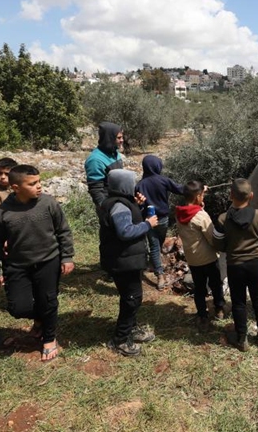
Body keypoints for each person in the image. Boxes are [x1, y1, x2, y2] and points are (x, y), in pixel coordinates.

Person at [0, 165, 75, 362]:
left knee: (48, 300)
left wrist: (67, 257)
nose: (39, 186)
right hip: (17, 266)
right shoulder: (2, 212)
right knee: (18, 308)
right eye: (33, 183)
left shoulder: (49, 203)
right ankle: (42, 317)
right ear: (16, 187)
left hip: (48, 262)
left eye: (39, 182)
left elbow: (63, 232)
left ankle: (49, 338)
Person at [99, 169, 159, 356]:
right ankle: (121, 339)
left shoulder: (120, 202)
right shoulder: (119, 206)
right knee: (132, 299)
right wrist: (148, 224)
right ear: (124, 185)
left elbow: (127, 222)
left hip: (123, 259)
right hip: (123, 261)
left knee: (130, 296)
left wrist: (136, 206)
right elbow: (125, 232)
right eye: (132, 183)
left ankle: (130, 328)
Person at [212, 179, 258, 352]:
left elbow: (217, 243)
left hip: (235, 265)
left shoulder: (223, 219)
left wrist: (229, 248)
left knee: (238, 302)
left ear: (231, 196)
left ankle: (242, 338)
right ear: (251, 196)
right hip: (255, 263)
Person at [175, 180, 227, 332]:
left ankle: (202, 315)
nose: (203, 196)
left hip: (193, 259)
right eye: (202, 195)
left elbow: (191, 218)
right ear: (198, 196)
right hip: (208, 258)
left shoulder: (178, 213)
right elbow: (211, 237)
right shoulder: (201, 216)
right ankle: (219, 308)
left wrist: (199, 207)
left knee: (199, 288)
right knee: (216, 283)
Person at [135, 155, 184, 290]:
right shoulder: (163, 180)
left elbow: (137, 203)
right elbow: (181, 189)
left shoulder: (140, 184)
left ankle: (157, 270)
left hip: (148, 220)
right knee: (157, 244)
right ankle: (159, 273)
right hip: (163, 219)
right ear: (157, 166)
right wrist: (197, 189)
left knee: (155, 245)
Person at [84, 122, 124, 208]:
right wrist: (107, 209)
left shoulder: (114, 153)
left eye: (122, 137)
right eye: (119, 138)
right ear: (110, 138)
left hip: (120, 202)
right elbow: (96, 190)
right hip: (109, 206)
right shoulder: (95, 160)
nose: (122, 140)